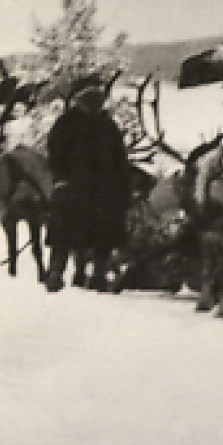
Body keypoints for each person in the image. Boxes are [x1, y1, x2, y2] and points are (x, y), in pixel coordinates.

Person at [44, 76, 132, 293]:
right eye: (89, 96)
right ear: (80, 99)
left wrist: (122, 184)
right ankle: (56, 271)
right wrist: (61, 178)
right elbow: (55, 154)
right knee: (64, 228)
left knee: (105, 228)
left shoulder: (107, 124)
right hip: (74, 185)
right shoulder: (66, 123)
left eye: (98, 97)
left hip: (104, 186)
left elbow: (119, 157)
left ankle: (98, 274)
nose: (95, 101)